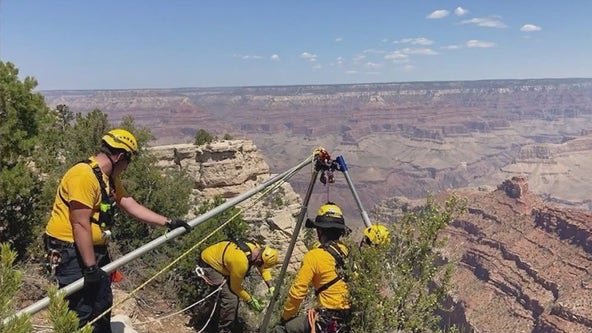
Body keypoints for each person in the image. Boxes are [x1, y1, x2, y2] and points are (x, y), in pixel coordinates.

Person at [43, 128, 191, 333]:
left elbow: (129, 204)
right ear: (121, 157)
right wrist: (90, 267)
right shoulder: (83, 176)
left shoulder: (107, 177)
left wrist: (168, 222)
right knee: (80, 310)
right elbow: (80, 224)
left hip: (94, 250)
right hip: (71, 251)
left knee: (102, 305)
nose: (127, 168)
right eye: (128, 162)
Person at [273, 202, 351, 333]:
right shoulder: (349, 252)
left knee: (283, 329)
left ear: (320, 231)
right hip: (350, 315)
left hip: (328, 318)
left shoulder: (314, 256)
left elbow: (298, 292)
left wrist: (285, 316)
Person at [196, 240, 279, 333]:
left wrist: (271, 286)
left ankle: (219, 320)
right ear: (259, 260)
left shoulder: (256, 248)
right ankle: (224, 330)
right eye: (260, 264)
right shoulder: (241, 262)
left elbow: (263, 269)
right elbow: (235, 288)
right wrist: (250, 300)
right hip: (209, 265)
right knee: (231, 298)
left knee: (230, 296)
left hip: (218, 260)